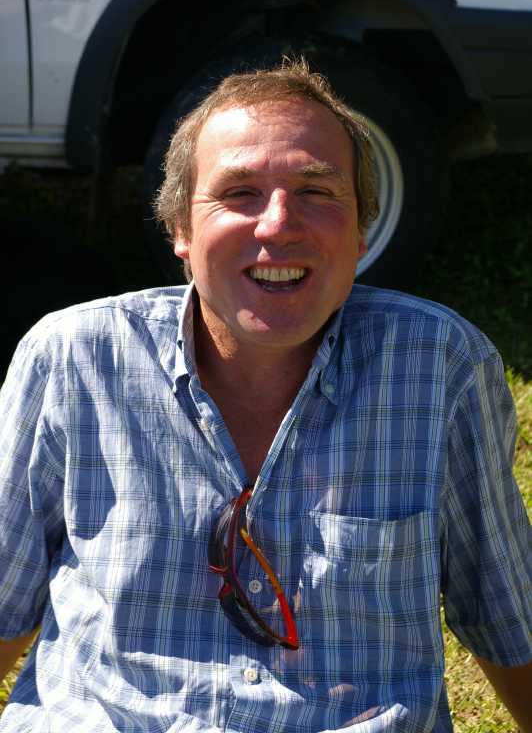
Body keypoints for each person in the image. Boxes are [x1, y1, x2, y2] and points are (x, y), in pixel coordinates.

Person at [0, 60, 530, 733]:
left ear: (362, 229)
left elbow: (509, 618)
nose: (278, 224)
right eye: (240, 192)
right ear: (181, 229)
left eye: (316, 190)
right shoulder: (73, 359)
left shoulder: (439, 366)